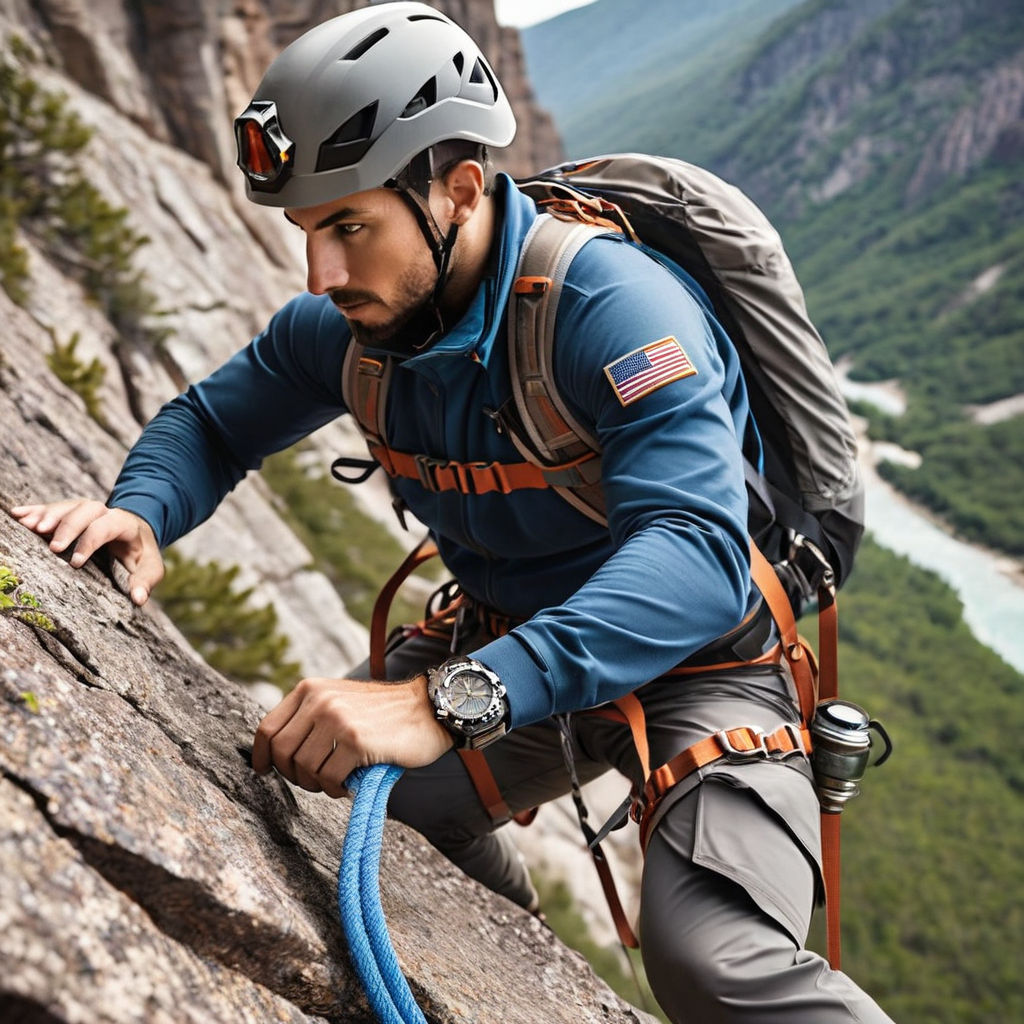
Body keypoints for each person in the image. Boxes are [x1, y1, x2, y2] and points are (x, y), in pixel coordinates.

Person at [10, 4, 894, 1021]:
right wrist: (141, 513)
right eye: (306, 231)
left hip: (702, 664)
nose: (322, 276)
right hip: (509, 643)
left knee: (716, 962)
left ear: (459, 190)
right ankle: (516, 960)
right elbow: (212, 423)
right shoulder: (350, 328)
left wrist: (442, 704)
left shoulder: (613, 310)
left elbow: (695, 557)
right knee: (310, 788)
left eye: (349, 226)